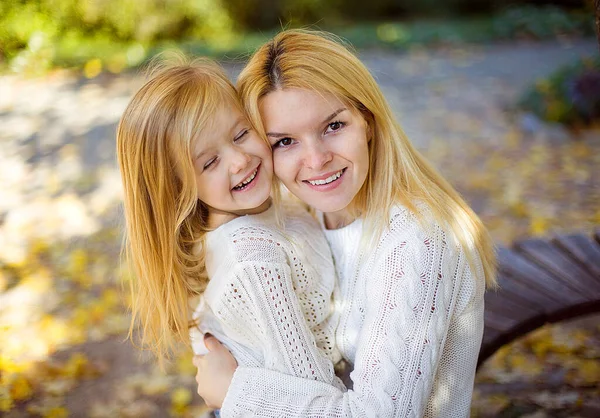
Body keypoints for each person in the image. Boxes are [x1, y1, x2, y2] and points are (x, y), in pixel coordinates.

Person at [193, 29, 497, 417]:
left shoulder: (418, 240)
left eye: (333, 126)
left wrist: (235, 393)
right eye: (284, 141)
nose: (317, 160)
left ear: (367, 120)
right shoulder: (308, 217)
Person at [116, 55, 345, 409]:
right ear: (178, 188)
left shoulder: (270, 207)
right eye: (209, 162)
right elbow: (312, 391)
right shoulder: (252, 260)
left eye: (241, 134)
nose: (239, 160)